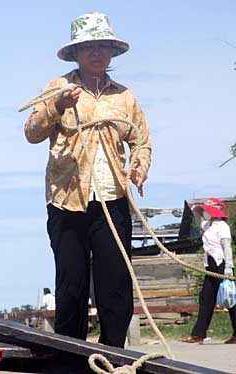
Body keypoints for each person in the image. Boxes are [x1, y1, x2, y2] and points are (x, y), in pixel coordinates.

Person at [24, 12, 151, 348]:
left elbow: (142, 141)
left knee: (116, 286)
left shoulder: (124, 97)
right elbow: (32, 133)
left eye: (103, 46)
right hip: (68, 200)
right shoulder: (57, 88)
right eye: (89, 47)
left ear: (111, 53)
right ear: (76, 53)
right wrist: (55, 107)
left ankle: (113, 356)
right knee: (71, 285)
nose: (97, 53)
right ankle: (70, 359)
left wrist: (138, 167)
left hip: (112, 199)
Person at [182, 198, 236, 344]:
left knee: (230, 299)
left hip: (221, 264)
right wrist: (197, 208)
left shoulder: (222, 226)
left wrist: (228, 267)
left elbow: (226, 246)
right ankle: (199, 334)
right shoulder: (208, 225)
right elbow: (198, 216)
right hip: (210, 265)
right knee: (206, 299)